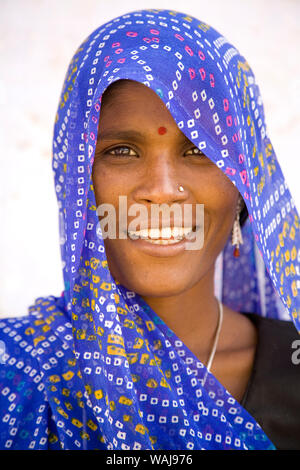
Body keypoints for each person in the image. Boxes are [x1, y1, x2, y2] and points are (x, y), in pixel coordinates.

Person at [0, 8, 299, 451]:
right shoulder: (18, 373)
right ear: (78, 181)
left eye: (198, 150)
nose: (162, 192)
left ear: (244, 185)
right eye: (122, 150)